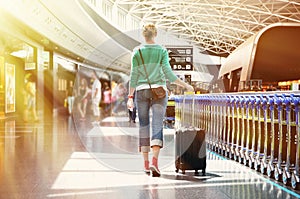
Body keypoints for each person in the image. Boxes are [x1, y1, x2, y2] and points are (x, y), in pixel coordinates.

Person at [127, 23, 194, 177]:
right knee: (157, 124)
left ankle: (145, 164)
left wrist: (130, 97)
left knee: (144, 126)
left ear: (143, 36)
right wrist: (185, 85)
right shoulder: (162, 51)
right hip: (159, 93)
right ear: (155, 35)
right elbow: (168, 74)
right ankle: (154, 163)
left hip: (141, 91)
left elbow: (134, 76)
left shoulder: (137, 52)